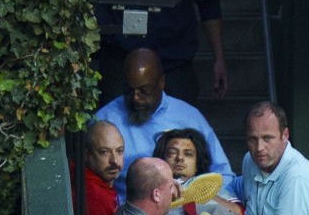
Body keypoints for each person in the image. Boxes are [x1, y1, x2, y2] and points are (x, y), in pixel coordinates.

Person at [95, 49, 235, 200]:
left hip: (187, 209)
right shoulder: (104, 120)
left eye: (144, 91)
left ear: (161, 83)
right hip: (127, 213)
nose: (136, 98)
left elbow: (223, 173)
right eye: (130, 91)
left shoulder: (189, 117)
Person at [94, 0, 227, 106]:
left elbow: (209, 2)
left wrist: (219, 59)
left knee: (178, 130)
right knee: (112, 128)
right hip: (119, 61)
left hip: (173, 63)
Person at [78, 120, 124, 215]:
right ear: (87, 155)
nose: (114, 161)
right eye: (104, 152)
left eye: (120, 151)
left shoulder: (101, 184)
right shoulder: (94, 194)